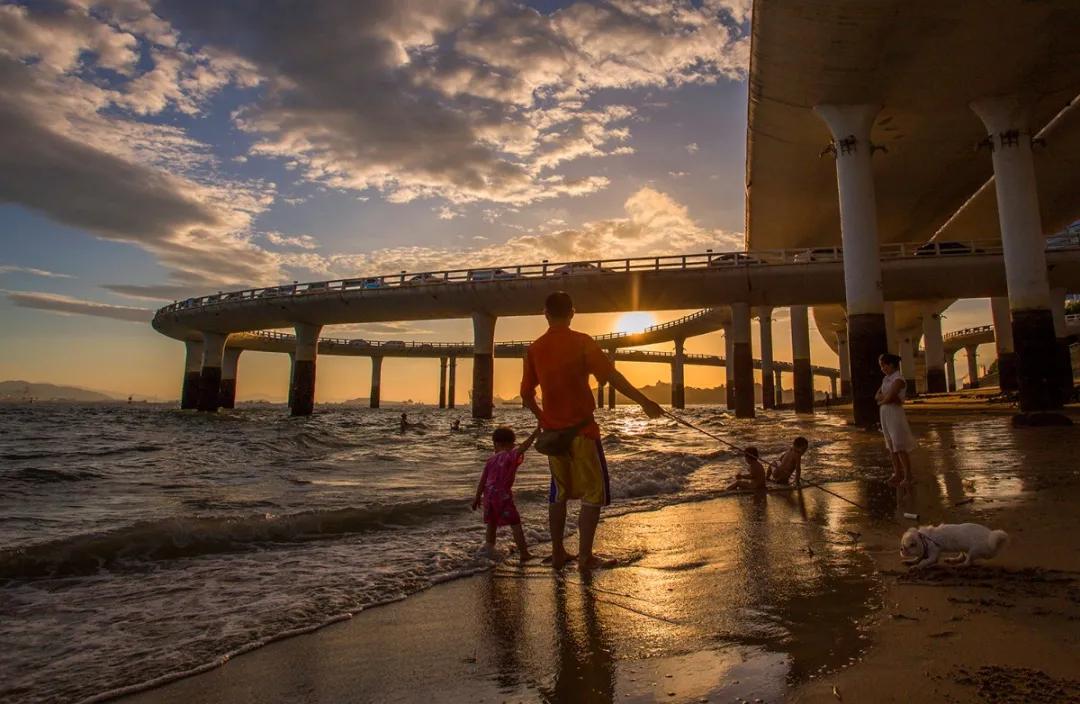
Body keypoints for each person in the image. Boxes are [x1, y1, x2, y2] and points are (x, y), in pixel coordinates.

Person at [521, 292, 664, 572]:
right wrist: (644, 402)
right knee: (593, 493)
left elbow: (526, 395)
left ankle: (558, 552)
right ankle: (585, 557)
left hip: (553, 438)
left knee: (558, 494)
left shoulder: (534, 349)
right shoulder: (582, 342)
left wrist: (544, 419)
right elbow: (612, 377)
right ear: (572, 312)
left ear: (545, 314)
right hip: (583, 432)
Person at [472, 425, 541, 562]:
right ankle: (524, 553)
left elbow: (483, 480)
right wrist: (535, 433)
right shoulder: (510, 455)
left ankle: (489, 551)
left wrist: (477, 497)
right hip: (503, 496)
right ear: (510, 444)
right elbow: (524, 447)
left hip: (488, 496)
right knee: (515, 523)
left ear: (495, 444)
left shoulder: (490, 460)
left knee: (491, 524)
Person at [876, 353, 916, 487]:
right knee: (891, 445)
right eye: (881, 366)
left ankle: (908, 476)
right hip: (885, 412)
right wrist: (885, 398)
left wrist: (885, 398)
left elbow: (889, 397)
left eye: (884, 365)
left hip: (894, 412)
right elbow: (877, 396)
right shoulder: (886, 380)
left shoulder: (898, 379)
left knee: (899, 445)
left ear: (891, 365)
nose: (882, 368)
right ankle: (897, 474)